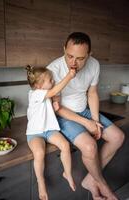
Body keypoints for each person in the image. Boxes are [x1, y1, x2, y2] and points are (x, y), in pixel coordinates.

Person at [47, 32, 125, 200]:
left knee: (118, 137)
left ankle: (91, 179)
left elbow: (92, 93)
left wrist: (94, 121)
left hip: (84, 110)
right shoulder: (53, 70)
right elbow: (57, 108)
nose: (73, 63)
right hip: (63, 115)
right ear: (64, 49)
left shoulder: (94, 65)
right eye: (69, 56)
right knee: (90, 147)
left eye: (80, 58)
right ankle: (103, 184)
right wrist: (86, 123)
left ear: (89, 55)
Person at [26, 65, 76, 200]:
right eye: (50, 80)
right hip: (35, 133)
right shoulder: (35, 94)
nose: (53, 81)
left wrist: (54, 104)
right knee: (39, 153)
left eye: (53, 79)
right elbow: (54, 91)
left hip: (49, 130)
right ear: (38, 85)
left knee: (65, 145)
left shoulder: (44, 95)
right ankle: (40, 182)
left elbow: (46, 108)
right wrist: (69, 76)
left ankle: (68, 173)